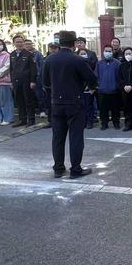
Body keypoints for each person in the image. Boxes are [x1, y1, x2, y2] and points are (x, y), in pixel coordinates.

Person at [43, 30, 97, 178]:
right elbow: (92, 78)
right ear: (74, 44)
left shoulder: (49, 60)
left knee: (58, 137)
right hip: (75, 102)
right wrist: (85, 85)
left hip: (56, 103)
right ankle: (76, 169)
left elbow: (46, 82)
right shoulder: (78, 60)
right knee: (76, 137)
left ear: (59, 43)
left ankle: (58, 169)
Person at [10, 34, 37, 127]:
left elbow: (33, 69)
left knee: (28, 100)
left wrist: (33, 81)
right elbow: (11, 69)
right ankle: (22, 119)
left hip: (27, 81)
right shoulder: (12, 54)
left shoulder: (29, 54)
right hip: (16, 81)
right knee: (19, 100)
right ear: (14, 43)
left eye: (21, 42)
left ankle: (31, 119)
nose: (19, 43)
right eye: (17, 42)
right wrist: (11, 81)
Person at [95, 45, 121, 130]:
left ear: (112, 52)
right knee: (103, 110)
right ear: (103, 52)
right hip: (102, 90)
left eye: (109, 51)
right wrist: (98, 85)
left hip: (114, 90)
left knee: (115, 109)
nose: (108, 53)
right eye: (106, 51)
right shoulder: (99, 63)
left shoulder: (117, 63)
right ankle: (104, 123)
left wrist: (117, 86)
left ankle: (116, 123)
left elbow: (120, 77)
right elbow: (96, 75)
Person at [24, 38, 45, 118]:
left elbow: (41, 65)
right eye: (26, 44)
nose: (28, 45)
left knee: (39, 94)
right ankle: (32, 111)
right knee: (29, 95)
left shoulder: (37, 54)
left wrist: (38, 74)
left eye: (29, 44)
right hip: (26, 78)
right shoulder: (23, 54)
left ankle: (42, 110)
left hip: (37, 77)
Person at [77, 48, 96, 129]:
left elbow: (93, 76)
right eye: (81, 54)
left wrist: (92, 87)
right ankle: (83, 122)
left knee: (89, 106)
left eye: (85, 53)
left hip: (89, 88)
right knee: (81, 107)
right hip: (79, 88)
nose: (83, 55)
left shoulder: (91, 63)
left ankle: (89, 122)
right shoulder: (75, 64)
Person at [42, 43, 59, 128]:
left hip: (59, 85)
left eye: (55, 48)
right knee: (49, 104)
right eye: (51, 48)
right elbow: (43, 73)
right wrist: (44, 85)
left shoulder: (61, 59)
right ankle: (51, 121)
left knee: (58, 104)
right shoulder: (45, 59)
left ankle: (59, 121)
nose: (53, 50)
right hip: (48, 85)